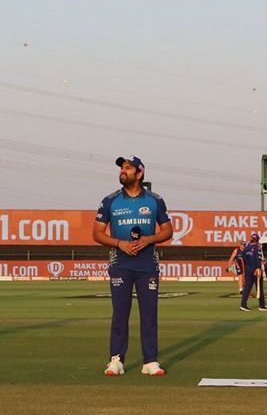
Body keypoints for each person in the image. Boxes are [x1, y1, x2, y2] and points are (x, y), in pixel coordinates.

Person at [93, 155, 173, 376]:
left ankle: (151, 361)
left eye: (128, 168)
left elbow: (168, 231)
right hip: (121, 264)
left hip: (147, 265)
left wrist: (148, 240)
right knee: (120, 313)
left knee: (149, 315)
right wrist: (120, 243)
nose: (123, 171)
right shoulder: (109, 200)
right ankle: (116, 360)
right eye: (122, 168)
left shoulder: (155, 200)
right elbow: (97, 233)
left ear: (140, 173)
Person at [240, 232, 267, 312]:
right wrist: (258, 267)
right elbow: (257, 259)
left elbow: (243, 260)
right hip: (256, 270)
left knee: (247, 289)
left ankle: (243, 305)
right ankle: (261, 306)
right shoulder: (257, 248)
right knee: (259, 288)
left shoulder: (246, 248)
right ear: (257, 240)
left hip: (248, 270)